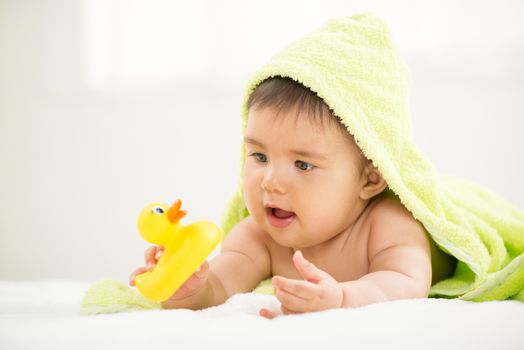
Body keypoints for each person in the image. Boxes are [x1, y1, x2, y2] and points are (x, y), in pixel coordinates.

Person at [130, 16, 457, 318]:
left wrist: (342, 297)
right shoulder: (259, 236)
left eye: (302, 164)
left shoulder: (387, 224)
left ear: (370, 178)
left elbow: (405, 283)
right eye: (259, 157)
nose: (270, 182)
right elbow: (219, 287)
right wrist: (187, 285)